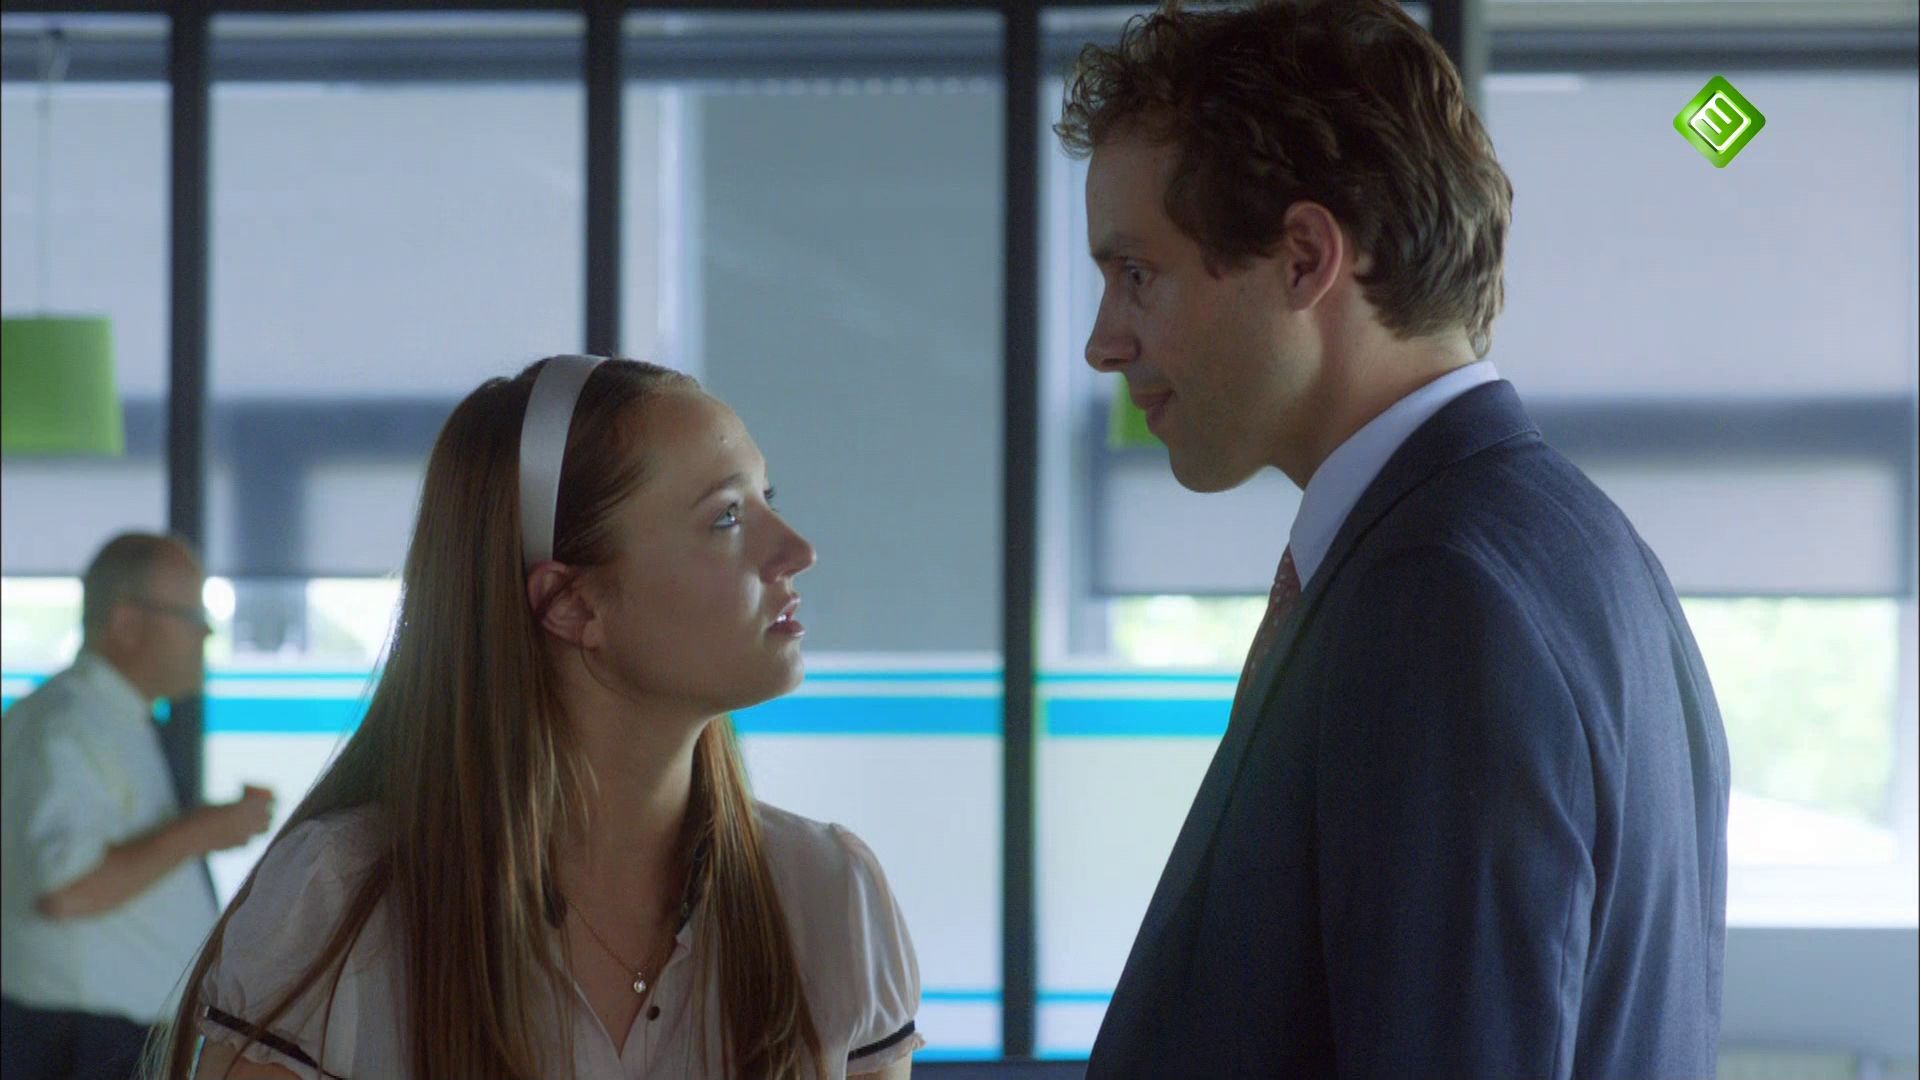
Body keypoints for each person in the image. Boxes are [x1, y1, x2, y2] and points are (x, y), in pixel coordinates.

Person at [1056, 2, 1730, 1076]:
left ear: (1304, 257)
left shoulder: (1439, 597)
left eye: (1137, 273)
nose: (1103, 342)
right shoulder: (1582, 551)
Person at [153, 356, 924, 1080]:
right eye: (726, 516)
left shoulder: (830, 895)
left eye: (767, 501)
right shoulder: (337, 903)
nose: (796, 550)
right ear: (571, 603)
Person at [2, 533, 276, 1080]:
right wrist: (200, 832)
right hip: (78, 1044)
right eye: (191, 615)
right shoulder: (68, 724)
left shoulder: (109, 719)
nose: (206, 633)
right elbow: (67, 890)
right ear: (127, 622)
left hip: (100, 1039)